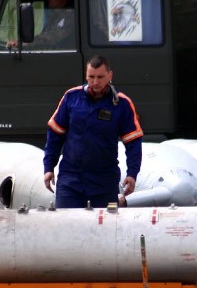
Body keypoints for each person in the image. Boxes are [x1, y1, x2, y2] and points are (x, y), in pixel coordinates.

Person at [43, 55, 143, 208]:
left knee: (106, 231)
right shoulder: (71, 97)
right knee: (66, 229)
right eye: (91, 77)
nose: (95, 82)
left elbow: (133, 143)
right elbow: (55, 134)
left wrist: (132, 174)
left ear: (110, 75)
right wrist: (48, 167)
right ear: (86, 75)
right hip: (70, 180)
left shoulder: (122, 104)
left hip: (105, 183)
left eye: (100, 77)